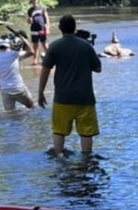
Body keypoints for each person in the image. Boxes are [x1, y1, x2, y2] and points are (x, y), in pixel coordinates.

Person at [37, 15, 102, 156]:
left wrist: (40, 93)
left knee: (59, 130)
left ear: (60, 28)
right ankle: (86, 160)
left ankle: (59, 158)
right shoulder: (86, 46)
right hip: (85, 98)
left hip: (62, 97)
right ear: (74, 28)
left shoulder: (54, 46)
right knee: (86, 132)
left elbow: (45, 71)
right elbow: (98, 68)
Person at [0, 33, 35, 112]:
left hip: (5, 90)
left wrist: (0, 87)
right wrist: (23, 39)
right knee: (32, 108)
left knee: (10, 114)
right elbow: (31, 52)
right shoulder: (14, 54)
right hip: (18, 87)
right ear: (9, 44)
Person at [27, 0, 51, 66]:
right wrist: (29, 21)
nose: (34, 1)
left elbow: (47, 18)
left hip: (42, 28)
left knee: (45, 44)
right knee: (35, 45)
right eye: (32, 0)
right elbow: (28, 21)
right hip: (34, 29)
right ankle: (35, 60)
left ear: (37, 0)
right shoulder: (30, 10)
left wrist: (48, 28)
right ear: (31, 1)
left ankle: (50, 58)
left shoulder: (42, 8)